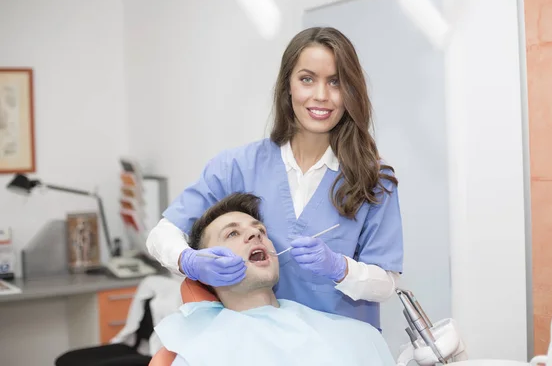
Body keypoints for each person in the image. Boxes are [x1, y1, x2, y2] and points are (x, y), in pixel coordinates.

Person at [146, 26, 404, 330]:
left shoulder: (372, 178)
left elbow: (386, 284)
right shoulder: (237, 167)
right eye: (307, 79)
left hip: (342, 348)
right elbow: (161, 235)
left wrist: (340, 268)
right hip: (258, 345)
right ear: (288, 86)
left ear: (351, 91)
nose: (321, 96)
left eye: (336, 82)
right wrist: (189, 261)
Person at [153, 193, 397, 366]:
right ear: (207, 271)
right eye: (233, 233)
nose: (254, 234)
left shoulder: (356, 335)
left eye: (261, 231)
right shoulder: (198, 352)